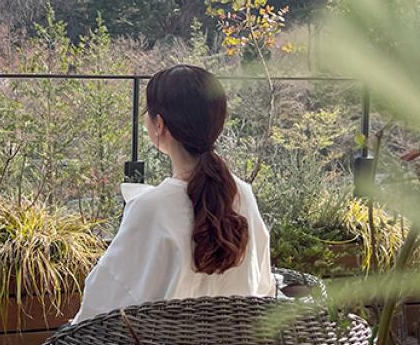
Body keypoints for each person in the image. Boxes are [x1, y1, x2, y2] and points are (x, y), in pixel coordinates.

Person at [72, 64, 275, 324]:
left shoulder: (151, 207)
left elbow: (103, 303)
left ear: (159, 125)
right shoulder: (242, 194)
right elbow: (264, 286)